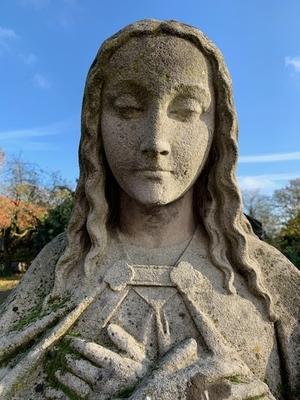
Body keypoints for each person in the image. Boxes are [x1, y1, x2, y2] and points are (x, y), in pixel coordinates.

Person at [0, 20, 299, 400]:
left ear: (219, 128)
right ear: (95, 124)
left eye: (187, 110)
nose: (155, 140)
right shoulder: (57, 268)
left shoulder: (270, 281)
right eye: (126, 109)